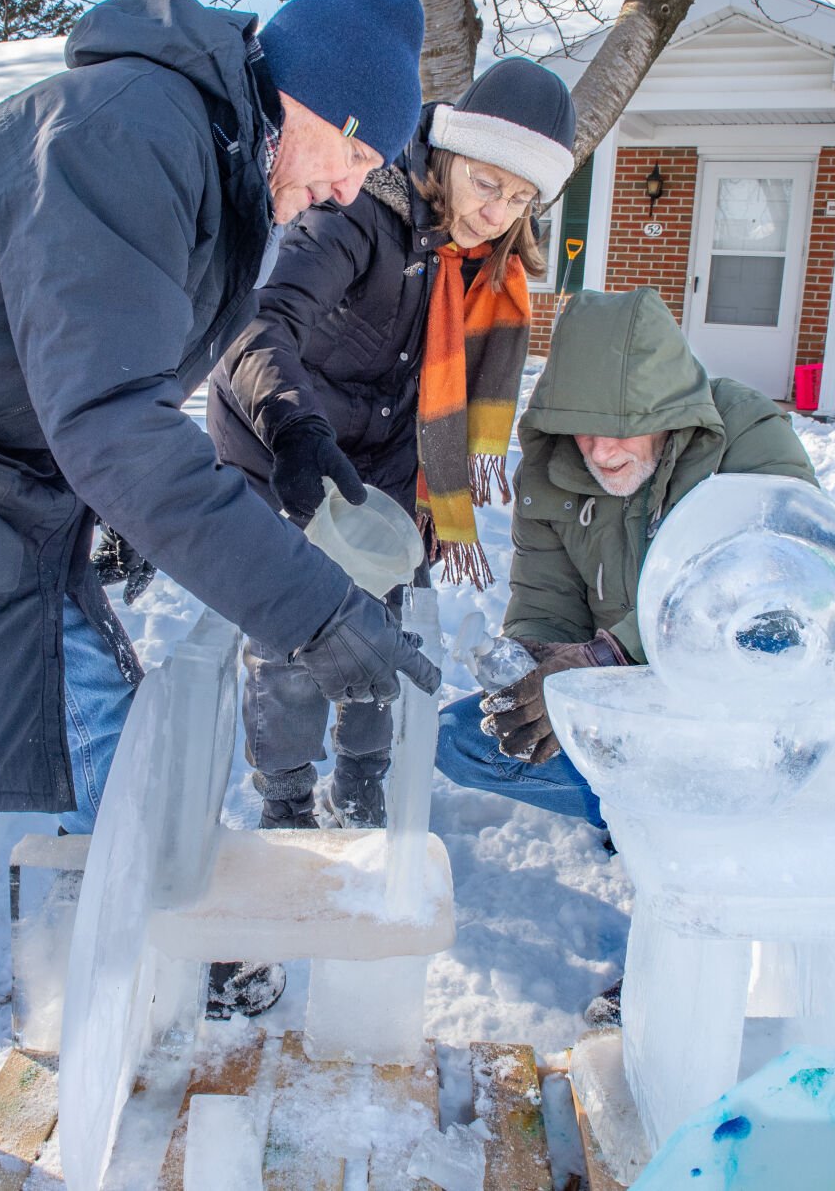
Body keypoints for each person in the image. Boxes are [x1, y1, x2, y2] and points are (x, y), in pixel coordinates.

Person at [0, 0, 437, 1191]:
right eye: (353, 152)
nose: (346, 187)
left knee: (117, 742)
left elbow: (140, 350)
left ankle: (130, 978)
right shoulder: (132, 127)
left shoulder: (220, 160)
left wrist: (291, 439)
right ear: (308, 100)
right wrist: (307, 604)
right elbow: (111, 417)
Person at [208, 57, 576, 830]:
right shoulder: (358, 212)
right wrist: (293, 429)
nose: (496, 211)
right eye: (485, 182)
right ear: (448, 154)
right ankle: (285, 800)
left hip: (385, 468)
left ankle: (361, 785)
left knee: (386, 625)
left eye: (519, 198)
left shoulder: (492, 269)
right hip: (288, 444)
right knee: (295, 633)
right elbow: (260, 323)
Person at [433, 286, 818, 1017]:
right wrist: (535, 671)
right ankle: (639, 813)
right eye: (582, 431)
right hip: (626, 709)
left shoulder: (743, 433)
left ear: (668, 412)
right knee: (465, 739)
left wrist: (607, 657)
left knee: (709, 766)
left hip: (737, 703)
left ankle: (680, 946)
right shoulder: (553, 467)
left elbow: (779, 579)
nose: (601, 452)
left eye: (623, 431)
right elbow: (544, 599)